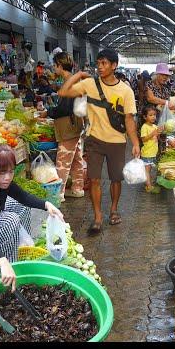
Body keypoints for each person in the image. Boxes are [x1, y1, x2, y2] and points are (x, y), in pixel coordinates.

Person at [58, 48, 140, 233]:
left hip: (117, 141)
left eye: (104, 63)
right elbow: (64, 92)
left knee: (116, 179)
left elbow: (129, 119)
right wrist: (77, 74)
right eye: (98, 63)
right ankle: (97, 216)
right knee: (94, 179)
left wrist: (135, 143)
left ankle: (113, 210)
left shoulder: (125, 91)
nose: (100, 67)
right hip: (94, 139)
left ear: (114, 65)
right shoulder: (89, 84)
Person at [0, 144, 63, 287]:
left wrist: (47, 205)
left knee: (19, 205)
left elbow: (24, 197)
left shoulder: (2, 183)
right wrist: (2, 261)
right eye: (2, 173)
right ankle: (3, 267)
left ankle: (21, 247)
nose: (8, 177)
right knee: (10, 220)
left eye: (11, 172)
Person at [39, 52, 85, 201]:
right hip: (76, 125)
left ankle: (57, 194)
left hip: (68, 127)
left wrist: (48, 112)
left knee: (63, 162)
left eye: (54, 65)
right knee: (77, 159)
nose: (53, 68)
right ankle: (77, 189)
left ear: (60, 65)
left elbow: (64, 108)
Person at [140, 105, 162, 194]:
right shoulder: (144, 127)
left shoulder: (154, 126)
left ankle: (149, 182)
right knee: (147, 170)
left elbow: (157, 138)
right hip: (147, 153)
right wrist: (153, 133)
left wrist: (159, 132)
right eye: (151, 115)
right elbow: (143, 139)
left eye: (154, 115)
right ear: (145, 117)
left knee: (150, 170)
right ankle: (148, 186)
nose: (153, 117)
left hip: (153, 152)